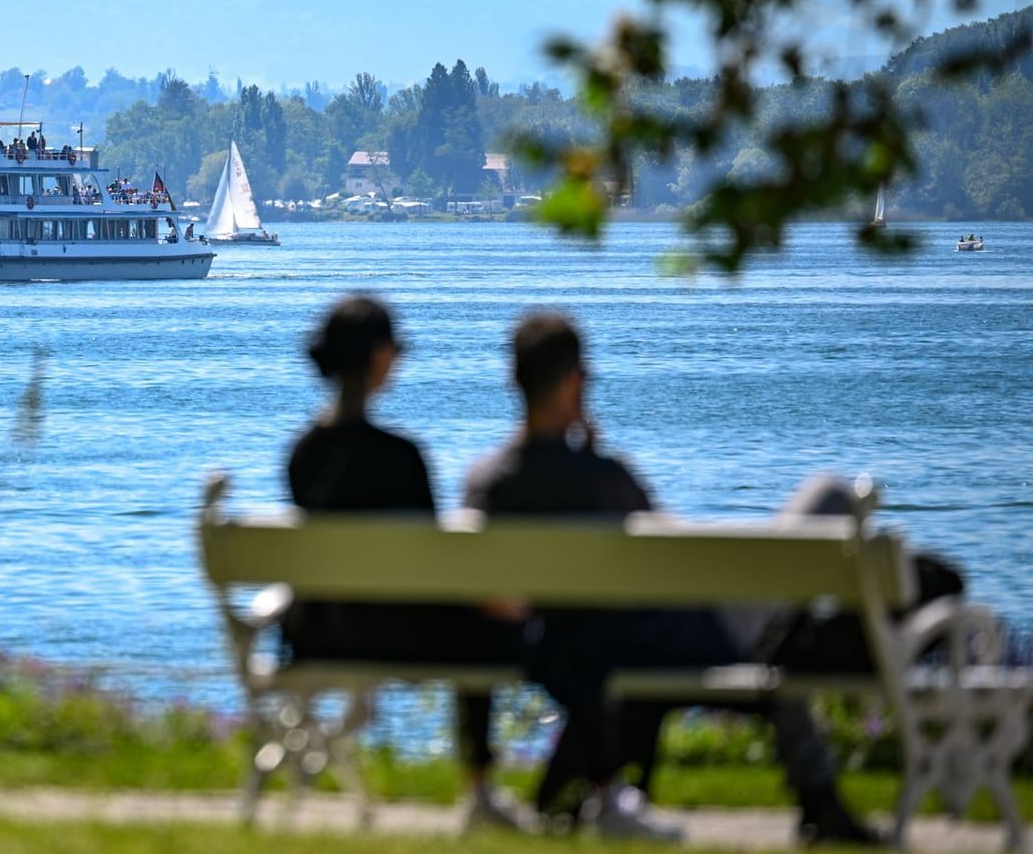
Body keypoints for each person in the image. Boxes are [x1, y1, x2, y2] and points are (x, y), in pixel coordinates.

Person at [464, 312, 877, 845]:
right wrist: (591, 455)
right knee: (830, 496)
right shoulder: (604, 479)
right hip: (698, 635)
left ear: (513, 382)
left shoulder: (487, 484)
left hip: (589, 643)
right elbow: (677, 551)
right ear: (575, 383)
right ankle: (823, 805)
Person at [284, 296, 530, 833]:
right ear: (377, 358)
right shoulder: (401, 456)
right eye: (396, 349)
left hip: (326, 633)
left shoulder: (302, 453)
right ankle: (479, 791)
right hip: (408, 638)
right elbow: (431, 574)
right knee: (500, 629)